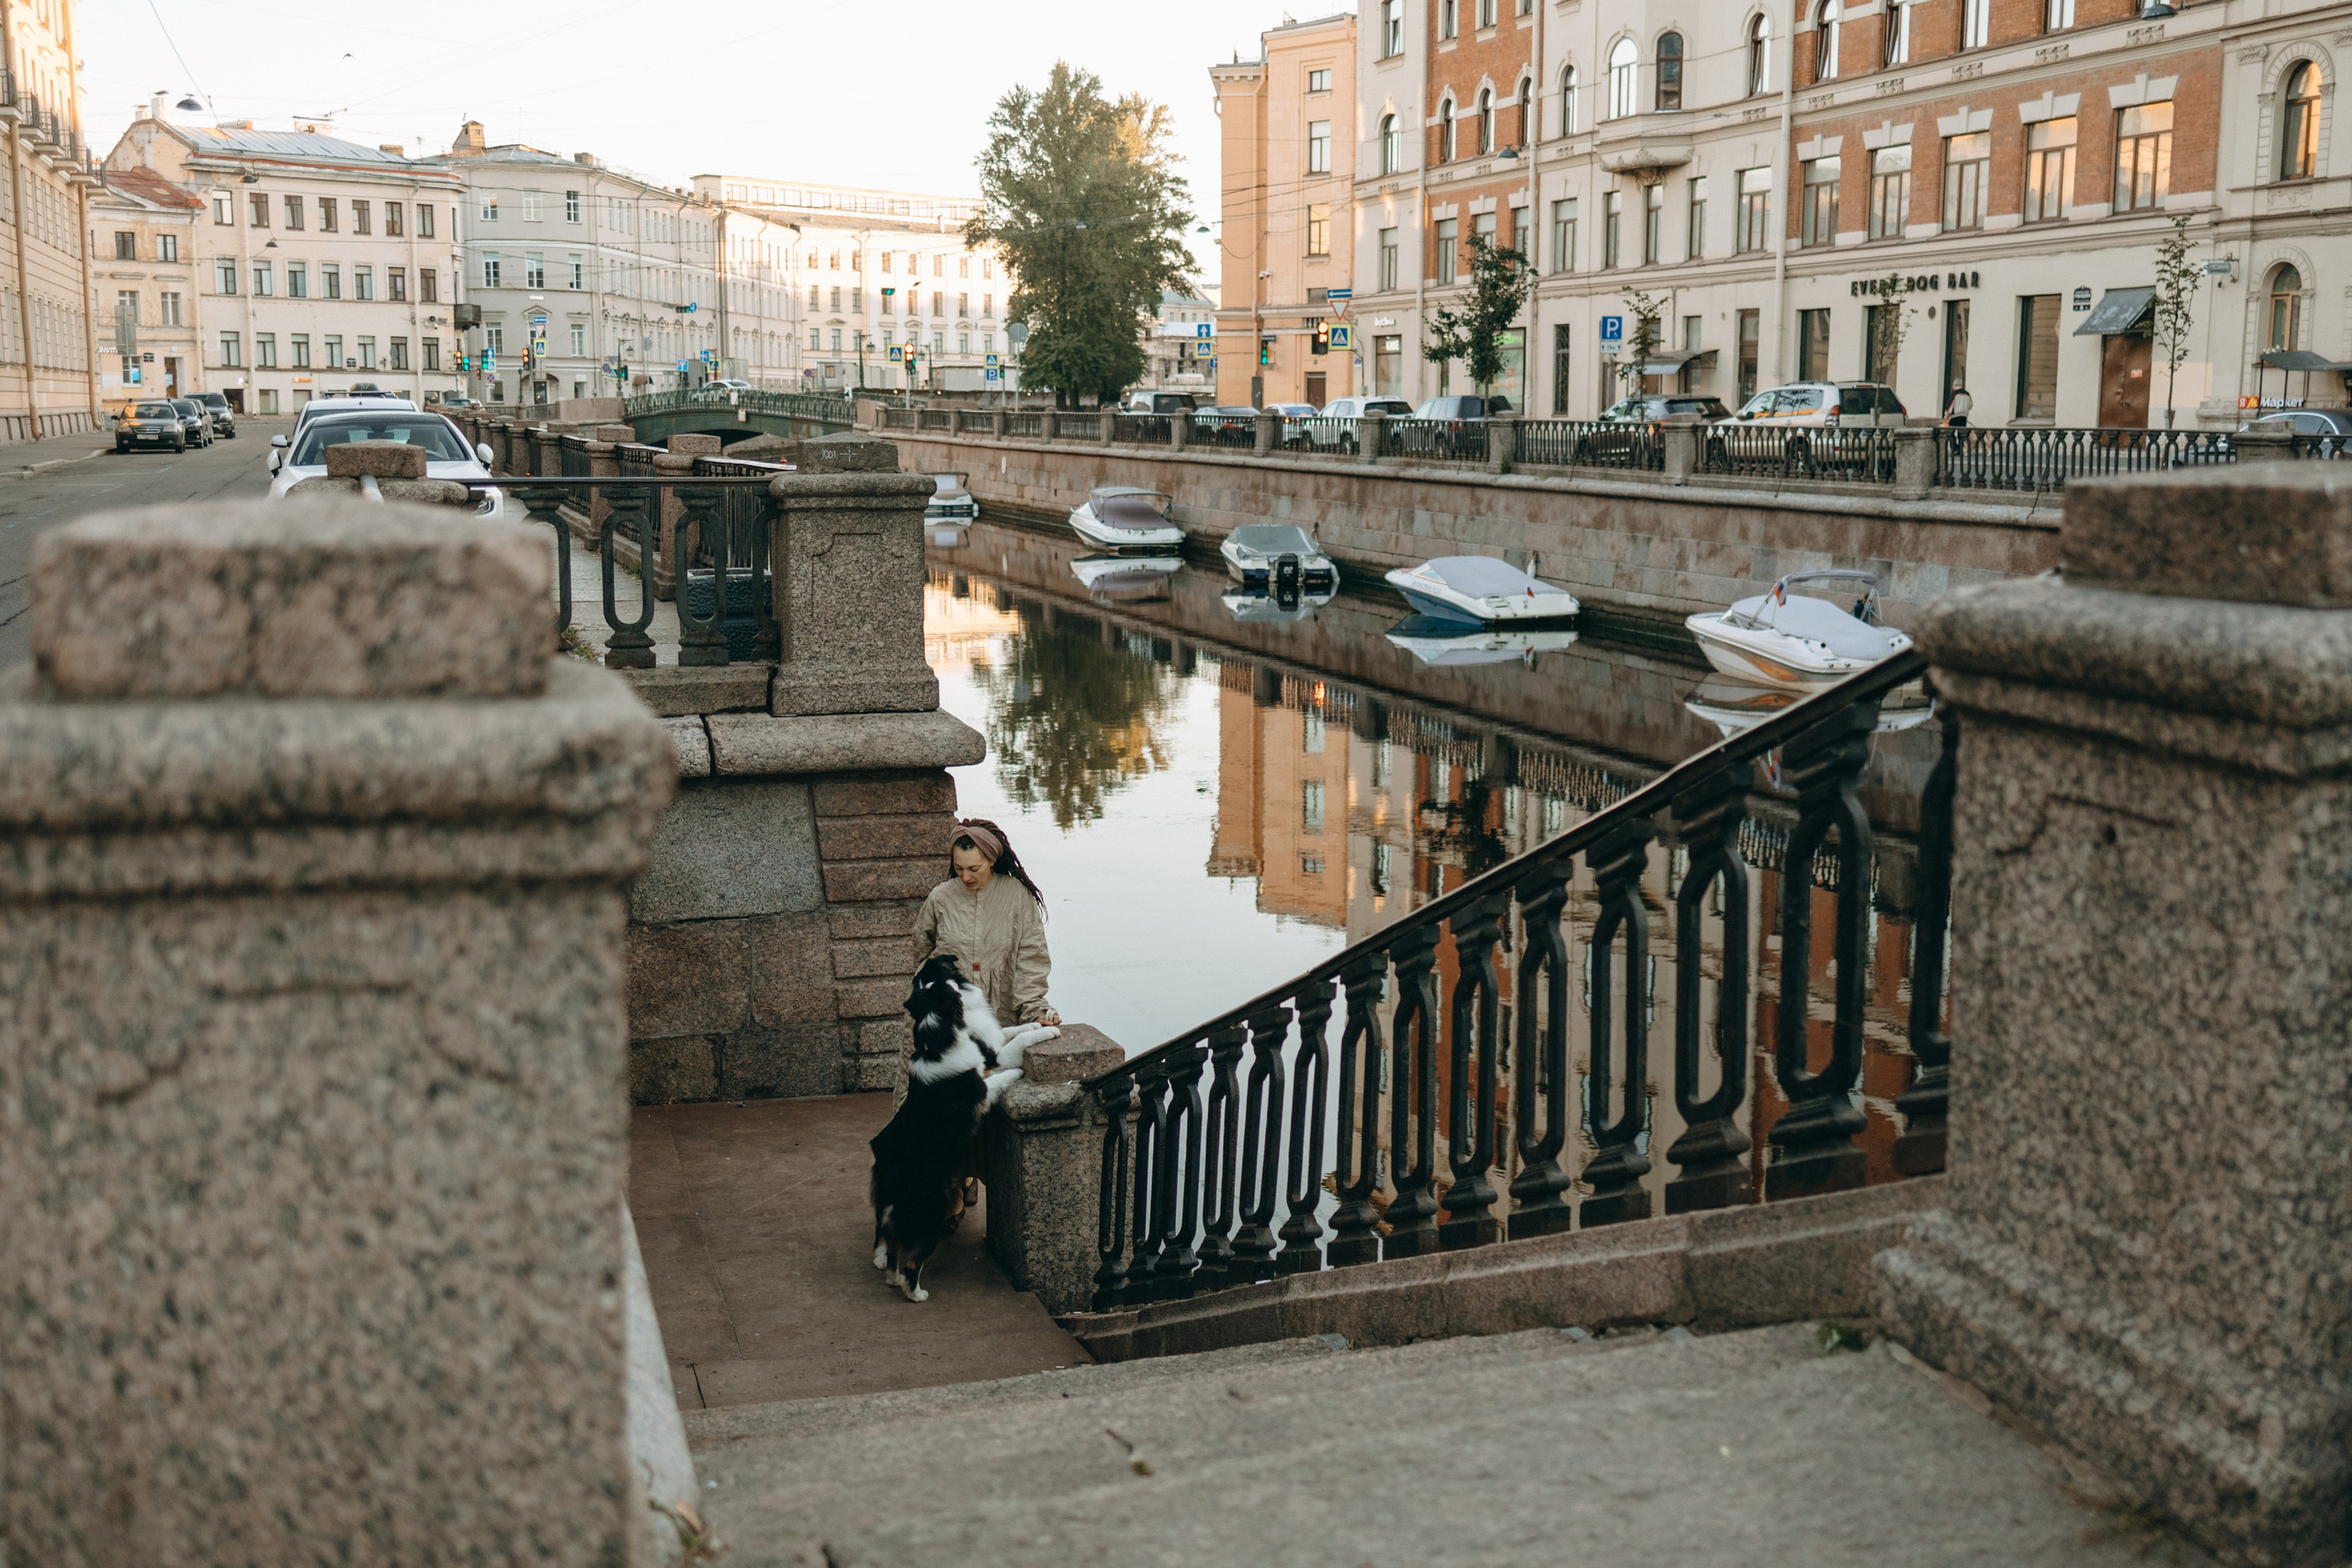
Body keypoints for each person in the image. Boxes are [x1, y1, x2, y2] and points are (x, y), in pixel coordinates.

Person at [913, 818, 1059, 1030]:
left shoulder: (1016, 895)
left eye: (974, 868)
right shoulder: (940, 898)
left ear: (991, 860)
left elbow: (1031, 957)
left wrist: (1034, 1010)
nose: (965, 876)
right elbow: (921, 951)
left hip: (1002, 1011)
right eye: (959, 868)